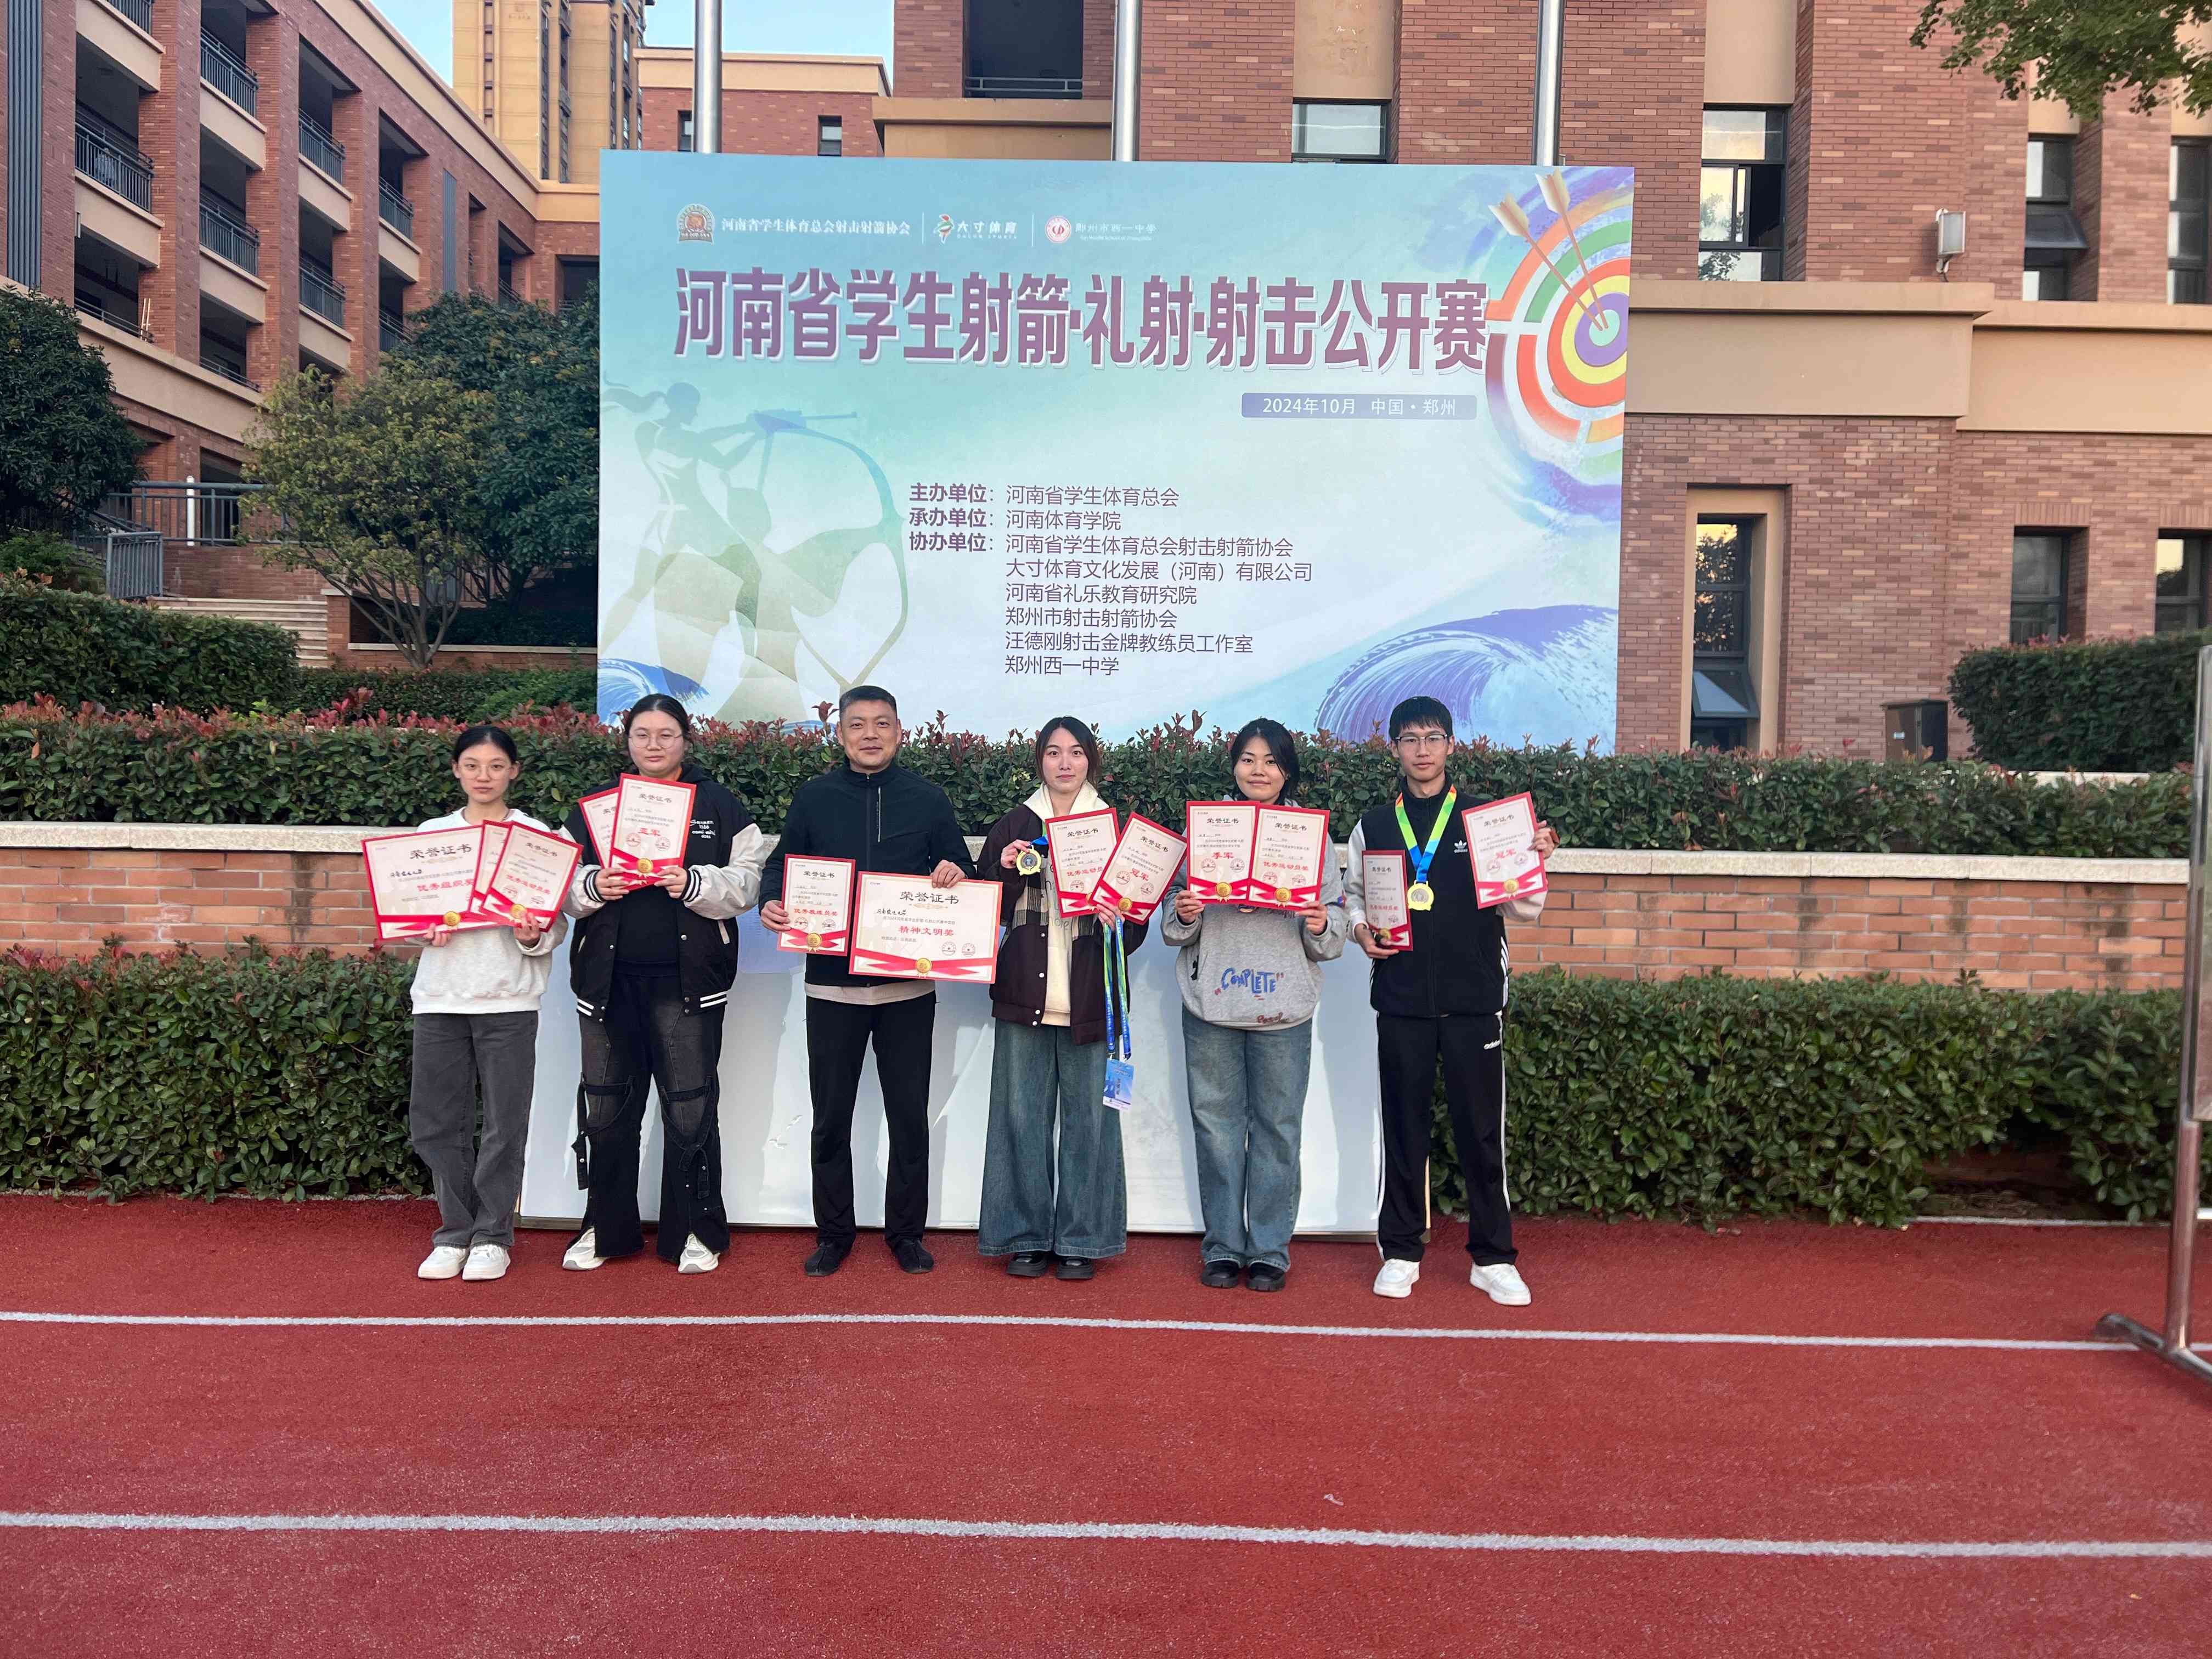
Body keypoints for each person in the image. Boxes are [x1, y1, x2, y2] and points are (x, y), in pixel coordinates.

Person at [1342, 696, 1559, 1304]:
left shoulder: (1486, 823)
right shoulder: (1374, 825)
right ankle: (1401, 1250)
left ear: (1451, 746)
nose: (1422, 750)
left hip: (1474, 1000)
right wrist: (1359, 931)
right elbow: (1355, 896)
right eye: (1410, 739)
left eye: (1433, 738)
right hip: (1401, 999)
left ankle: (1493, 1258)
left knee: (1481, 1134)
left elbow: (1523, 908)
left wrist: (1535, 860)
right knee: (1403, 1131)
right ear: (1394, 749)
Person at [759, 685, 975, 1277]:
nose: (871, 734)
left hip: (909, 990)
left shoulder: (928, 799)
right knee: (831, 1119)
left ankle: (907, 1234)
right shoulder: (814, 797)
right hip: (830, 988)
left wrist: (955, 872)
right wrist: (772, 901)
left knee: (909, 1118)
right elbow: (781, 866)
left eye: (882, 724)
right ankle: (834, 1235)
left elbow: (962, 868)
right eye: (858, 724)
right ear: (840, 735)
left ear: (900, 732)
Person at [559, 695, 766, 1275]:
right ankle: (604, 1228)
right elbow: (557, 882)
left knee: (689, 1108)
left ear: (686, 740)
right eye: (642, 734)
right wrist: (594, 885)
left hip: (688, 983)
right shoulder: (597, 808)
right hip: (607, 983)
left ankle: (696, 1230)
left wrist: (695, 882)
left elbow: (748, 882)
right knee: (605, 1109)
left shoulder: (719, 805)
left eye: (666, 734)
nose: (654, 744)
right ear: (627, 741)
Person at [1160, 719, 1346, 1292]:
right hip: (1212, 1003)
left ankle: (1269, 1250)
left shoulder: (1311, 838)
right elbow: (1173, 915)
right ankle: (1222, 1246)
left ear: (1287, 771)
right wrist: (1184, 913)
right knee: (1216, 1128)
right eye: (1247, 759)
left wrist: (1321, 922)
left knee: (1277, 1130)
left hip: (1284, 1006)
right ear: (1234, 767)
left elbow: (1334, 929)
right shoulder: (1207, 829)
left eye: (1270, 761)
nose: (1258, 771)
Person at [975, 718, 1150, 1280]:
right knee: (1020, 1120)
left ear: (1091, 760)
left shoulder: (1114, 830)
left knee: (1091, 1125)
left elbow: (1138, 926)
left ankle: (1083, 1239)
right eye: (1054, 753)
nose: (1065, 763)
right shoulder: (1015, 824)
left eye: (1076, 752)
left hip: (1091, 1000)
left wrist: (1120, 917)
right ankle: (1024, 1236)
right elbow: (983, 910)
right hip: (1024, 996)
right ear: (1040, 761)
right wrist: (1004, 870)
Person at [408, 725, 568, 1283]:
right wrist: (421, 930)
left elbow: (553, 925)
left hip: (509, 997)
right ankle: (455, 1230)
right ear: (456, 770)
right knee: (435, 1122)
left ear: (514, 772)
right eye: (473, 765)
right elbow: (411, 914)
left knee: (504, 1123)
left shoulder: (536, 837)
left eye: (496, 766)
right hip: (440, 997)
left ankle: (493, 1235)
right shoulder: (432, 836)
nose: (484, 776)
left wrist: (533, 934)